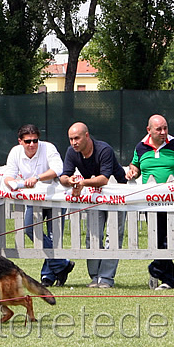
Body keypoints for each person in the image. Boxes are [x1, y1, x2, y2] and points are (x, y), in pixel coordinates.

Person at [126, 114, 174, 290]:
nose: (163, 132)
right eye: (159, 129)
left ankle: (155, 267)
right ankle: (168, 281)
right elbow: (134, 165)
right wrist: (132, 171)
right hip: (151, 202)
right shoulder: (140, 147)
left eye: (165, 128)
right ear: (149, 130)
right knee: (158, 240)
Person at [3, 124, 74, 287]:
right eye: (28, 141)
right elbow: (8, 175)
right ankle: (62, 264)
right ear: (20, 141)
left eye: (35, 140)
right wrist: (11, 183)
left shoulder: (48, 148)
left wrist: (37, 178)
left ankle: (47, 276)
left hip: (55, 197)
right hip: (34, 200)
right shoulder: (15, 152)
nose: (32, 144)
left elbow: (58, 169)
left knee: (54, 237)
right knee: (30, 229)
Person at [59, 122, 126, 289]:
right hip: (95, 197)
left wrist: (82, 182)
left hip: (117, 196)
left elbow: (104, 179)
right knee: (93, 236)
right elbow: (63, 177)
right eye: (71, 139)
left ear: (87, 136)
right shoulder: (71, 152)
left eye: (77, 138)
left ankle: (106, 279)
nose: (73, 142)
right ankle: (95, 277)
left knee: (113, 237)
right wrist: (69, 180)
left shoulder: (104, 150)